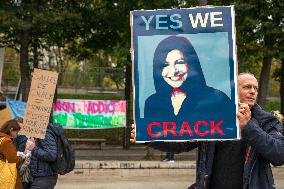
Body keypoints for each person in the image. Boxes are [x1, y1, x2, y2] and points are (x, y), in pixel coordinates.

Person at [132, 73, 284, 189]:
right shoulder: (213, 118)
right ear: (232, 90)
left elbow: (279, 155)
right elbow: (182, 143)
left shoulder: (267, 120)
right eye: (247, 87)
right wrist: (147, 136)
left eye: (255, 88)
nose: (253, 92)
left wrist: (248, 126)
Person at [143, 36, 236, 140]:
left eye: (180, 62)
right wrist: (145, 137)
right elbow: (177, 144)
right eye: (165, 64)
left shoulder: (218, 99)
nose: (174, 71)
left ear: (192, 64)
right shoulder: (152, 102)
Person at [28, 122, 64, 189]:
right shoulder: (38, 134)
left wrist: (34, 149)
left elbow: (51, 156)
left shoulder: (45, 134)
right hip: (40, 176)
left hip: (45, 176)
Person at [0, 119, 24, 189]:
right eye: (16, 132)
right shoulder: (6, 141)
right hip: (6, 173)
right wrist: (22, 157)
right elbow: (14, 160)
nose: (16, 135)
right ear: (11, 130)